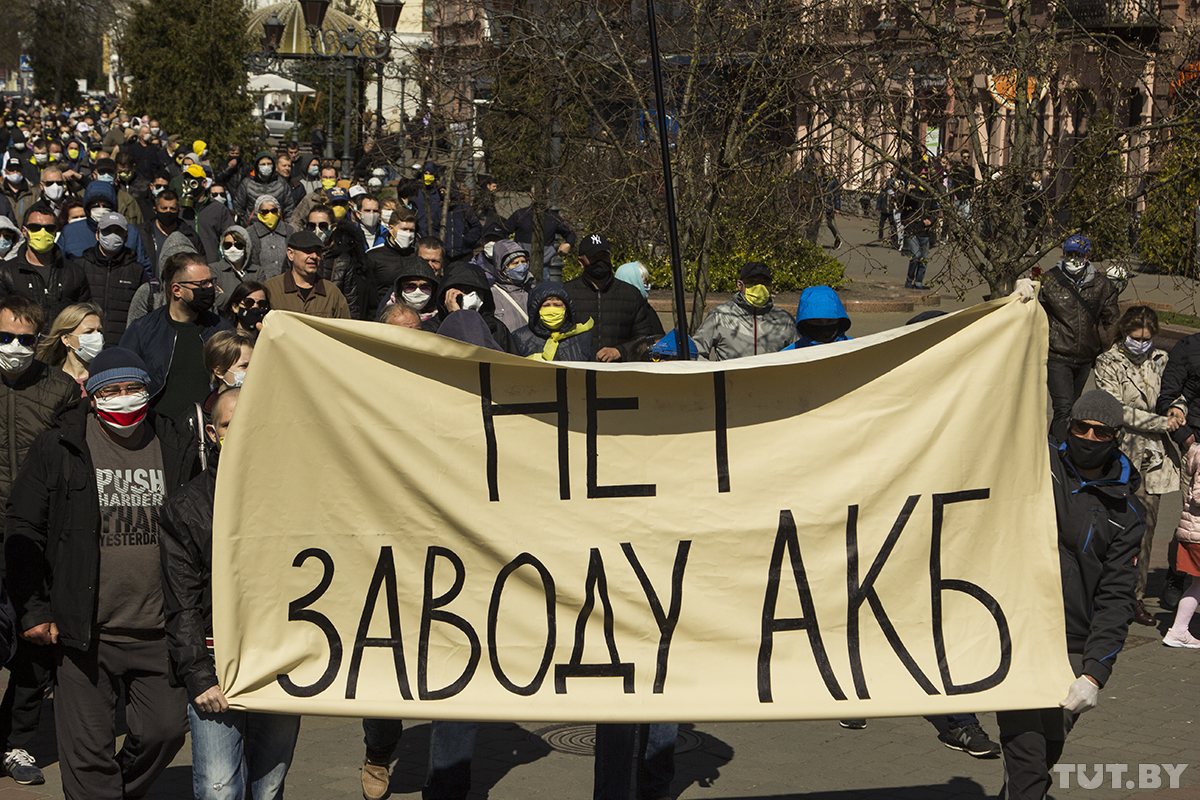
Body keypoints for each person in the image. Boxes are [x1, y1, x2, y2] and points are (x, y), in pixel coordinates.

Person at [5, 347, 199, 800]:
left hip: (159, 631)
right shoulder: (60, 445)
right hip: (83, 634)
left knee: (165, 730)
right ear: (92, 397)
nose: (124, 398)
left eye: (134, 389)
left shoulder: (173, 443)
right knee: (87, 751)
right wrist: (33, 609)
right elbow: (23, 526)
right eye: (111, 391)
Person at [995, 389, 1140, 800]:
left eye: (1101, 432)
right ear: (1069, 425)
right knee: (1026, 758)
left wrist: (1095, 673)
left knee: (1046, 751)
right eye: (1081, 427)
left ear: (1116, 437)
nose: (1089, 437)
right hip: (1018, 633)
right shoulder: (1036, 463)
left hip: (1072, 645)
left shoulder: (1126, 514)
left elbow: (1116, 599)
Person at [159, 387, 301, 800]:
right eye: (227, 425)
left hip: (279, 656)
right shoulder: (186, 508)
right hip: (215, 662)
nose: (239, 432)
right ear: (211, 432)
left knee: (270, 782)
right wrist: (199, 675)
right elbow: (180, 601)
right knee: (219, 787)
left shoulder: (297, 500)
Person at [0, 294, 79, 786]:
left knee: (35, 643)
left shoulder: (61, 390)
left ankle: (15, 742)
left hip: (36, 533)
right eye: (5, 337)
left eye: (25, 340)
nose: (14, 347)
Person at [1093, 306, 1184, 627]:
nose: (1141, 344)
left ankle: (1136, 597)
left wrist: (1177, 409)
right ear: (1124, 333)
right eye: (1135, 338)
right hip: (1119, 453)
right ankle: (1101, 594)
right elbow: (1115, 410)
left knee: (1145, 531)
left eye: (1147, 338)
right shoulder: (1108, 362)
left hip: (1154, 459)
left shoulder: (1161, 360)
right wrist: (1162, 422)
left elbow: (1175, 392)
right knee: (1111, 526)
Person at [120, 252, 233, 421]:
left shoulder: (222, 329)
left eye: (211, 282)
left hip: (207, 428)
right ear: (177, 290)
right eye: (202, 284)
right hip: (158, 429)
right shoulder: (142, 330)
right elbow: (123, 380)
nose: (210, 288)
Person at [1040, 233, 1120, 442]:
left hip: (1085, 357)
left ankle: (1066, 448)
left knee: (1075, 408)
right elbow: (1033, 312)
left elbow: (1111, 321)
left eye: (1079, 254)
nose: (1073, 259)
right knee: (1063, 408)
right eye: (1070, 254)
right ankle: (1057, 451)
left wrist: (1114, 351)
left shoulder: (1102, 286)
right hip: (1058, 355)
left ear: (1088, 256)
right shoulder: (1048, 281)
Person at [565, 233, 661, 362]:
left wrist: (620, 351)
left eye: (604, 256)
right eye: (594, 257)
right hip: (578, 370)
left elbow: (645, 338)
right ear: (581, 261)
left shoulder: (631, 294)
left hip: (619, 372)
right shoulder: (567, 292)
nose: (600, 261)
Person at [0, 202, 92, 331]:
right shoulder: (5, 272)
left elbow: (85, 315)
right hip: (23, 346)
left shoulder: (74, 272)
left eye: (49, 228)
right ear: (24, 231)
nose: (42, 233)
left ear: (55, 232)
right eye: (35, 227)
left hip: (60, 347)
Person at [692, 261, 796, 360]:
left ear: (771, 286)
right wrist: (713, 376)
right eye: (752, 282)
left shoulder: (784, 320)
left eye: (764, 282)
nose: (759, 287)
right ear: (739, 284)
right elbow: (696, 352)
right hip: (730, 379)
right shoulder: (720, 315)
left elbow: (801, 356)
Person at [74, 211, 147, 346]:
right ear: (97, 234)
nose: (113, 236)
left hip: (122, 344)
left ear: (126, 238)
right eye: (107, 231)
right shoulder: (79, 266)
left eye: (118, 232)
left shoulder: (137, 270)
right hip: (85, 342)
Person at [263, 230, 351, 319]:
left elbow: (345, 328)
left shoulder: (332, 293)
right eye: (308, 251)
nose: (314, 256)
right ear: (291, 254)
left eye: (317, 252)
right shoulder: (271, 289)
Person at [435, 261, 517, 352]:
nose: (474, 296)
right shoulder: (433, 328)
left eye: (480, 292)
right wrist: (456, 317)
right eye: (467, 290)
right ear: (448, 292)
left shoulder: (497, 329)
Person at [36, 301, 105, 396]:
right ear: (66, 339)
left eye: (99, 331)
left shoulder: (107, 378)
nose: (97, 336)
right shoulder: (48, 380)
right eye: (88, 332)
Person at [512, 282, 594, 361]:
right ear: (536, 309)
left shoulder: (583, 337)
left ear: (567, 309)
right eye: (546, 305)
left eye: (557, 305)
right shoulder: (520, 338)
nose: (552, 310)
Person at [139, 190, 202, 276]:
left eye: (173, 209)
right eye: (164, 208)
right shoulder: (143, 233)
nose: (168, 212)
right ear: (155, 210)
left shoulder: (189, 235)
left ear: (178, 210)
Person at [365, 206, 420, 301]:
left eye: (411, 230)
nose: (408, 234)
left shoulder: (417, 254)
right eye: (404, 229)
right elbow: (367, 292)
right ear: (390, 229)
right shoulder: (373, 256)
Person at [233, 152, 295, 225]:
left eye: (269, 164)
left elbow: (289, 207)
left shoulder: (281, 183)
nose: (266, 166)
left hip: (277, 227)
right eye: (263, 164)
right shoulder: (247, 183)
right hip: (253, 227)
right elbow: (238, 207)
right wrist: (246, 223)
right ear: (257, 166)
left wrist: (286, 225)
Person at [487, 240, 534, 333]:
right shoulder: (492, 294)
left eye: (523, 261)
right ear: (503, 268)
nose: (521, 266)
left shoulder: (533, 290)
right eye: (515, 263)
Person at [784, 285, 852, 348]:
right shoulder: (788, 354)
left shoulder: (855, 349)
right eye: (816, 321)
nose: (824, 326)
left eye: (830, 321)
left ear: (840, 321)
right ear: (804, 323)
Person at [900, 175, 935, 290]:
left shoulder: (930, 196)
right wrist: (907, 191)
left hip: (924, 232)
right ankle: (909, 280)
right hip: (912, 230)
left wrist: (930, 220)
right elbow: (902, 203)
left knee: (924, 259)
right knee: (916, 256)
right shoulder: (912, 194)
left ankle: (919, 282)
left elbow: (935, 211)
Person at [246, 194, 293, 279]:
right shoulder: (250, 233)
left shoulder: (289, 230)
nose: (270, 214)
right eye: (265, 212)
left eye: (273, 211)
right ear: (258, 213)